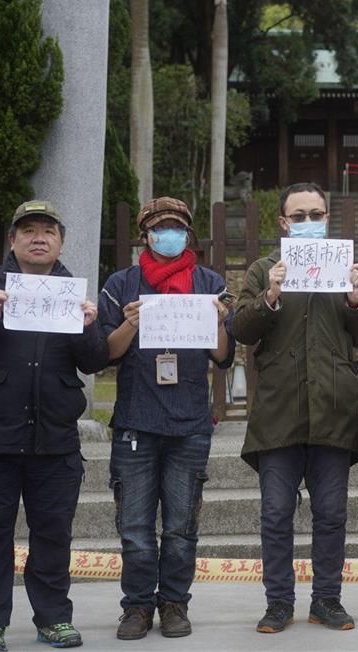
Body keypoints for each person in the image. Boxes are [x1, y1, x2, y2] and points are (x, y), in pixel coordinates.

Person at [0, 201, 108, 652]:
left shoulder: (73, 294)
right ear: (12, 240)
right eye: (28, 230)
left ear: (60, 241)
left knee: (53, 535)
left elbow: (95, 361)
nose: (39, 238)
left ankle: (53, 619)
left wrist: (90, 327)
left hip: (54, 441)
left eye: (48, 231)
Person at [232, 182, 358, 635]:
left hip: (333, 409)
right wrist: (270, 294)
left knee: (331, 513)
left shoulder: (343, 267)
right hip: (279, 411)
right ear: (283, 222)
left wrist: (357, 298)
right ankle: (278, 603)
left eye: (317, 214)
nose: (309, 223)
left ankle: (327, 600)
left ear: (328, 218)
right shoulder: (261, 270)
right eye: (299, 216)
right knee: (276, 513)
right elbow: (241, 329)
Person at [99, 197, 235, 640]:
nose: (168, 234)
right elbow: (106, 354)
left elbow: (223, 356)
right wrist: (130, 324)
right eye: (160, 228)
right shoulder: (121, 284)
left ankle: (174, 603)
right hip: (137, 420)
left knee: (181, 526)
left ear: (188, 234)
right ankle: (136, 607)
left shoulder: (210, 282)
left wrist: (217, 321)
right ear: (145, 235)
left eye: (177, 227)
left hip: (190, 422)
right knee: (135, 528)